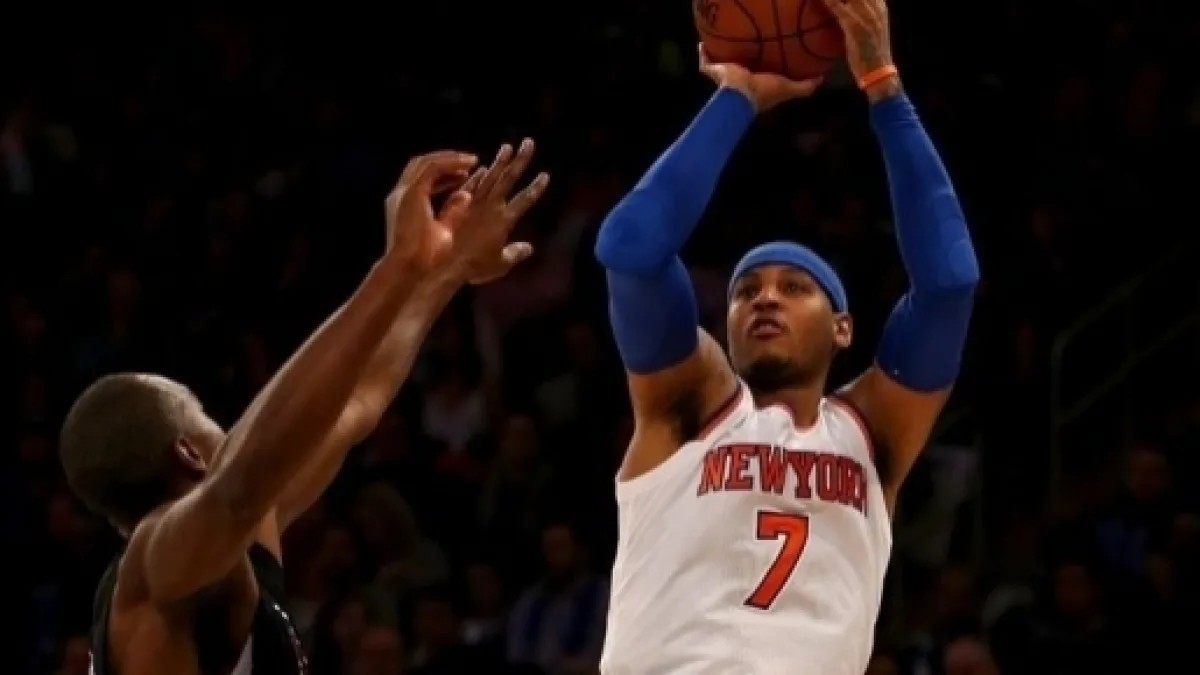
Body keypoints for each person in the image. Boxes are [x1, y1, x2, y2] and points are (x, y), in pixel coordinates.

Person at [59, 141, 550, 675]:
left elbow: (356, 401)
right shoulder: (153, 566)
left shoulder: (236, 536)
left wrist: (443, 270)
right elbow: (238, 482)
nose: (230, 430)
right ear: (189, 452)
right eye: (210, 421)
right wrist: (396, 267)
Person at [593, 0, 979, 672]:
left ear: (843, 327)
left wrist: (884, 86)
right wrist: (736, 97)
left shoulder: (873, 432)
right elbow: (631, 249)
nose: (765, 297)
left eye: (795, 287)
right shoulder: (691, 406)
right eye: (746, 291)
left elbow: (948, 284)